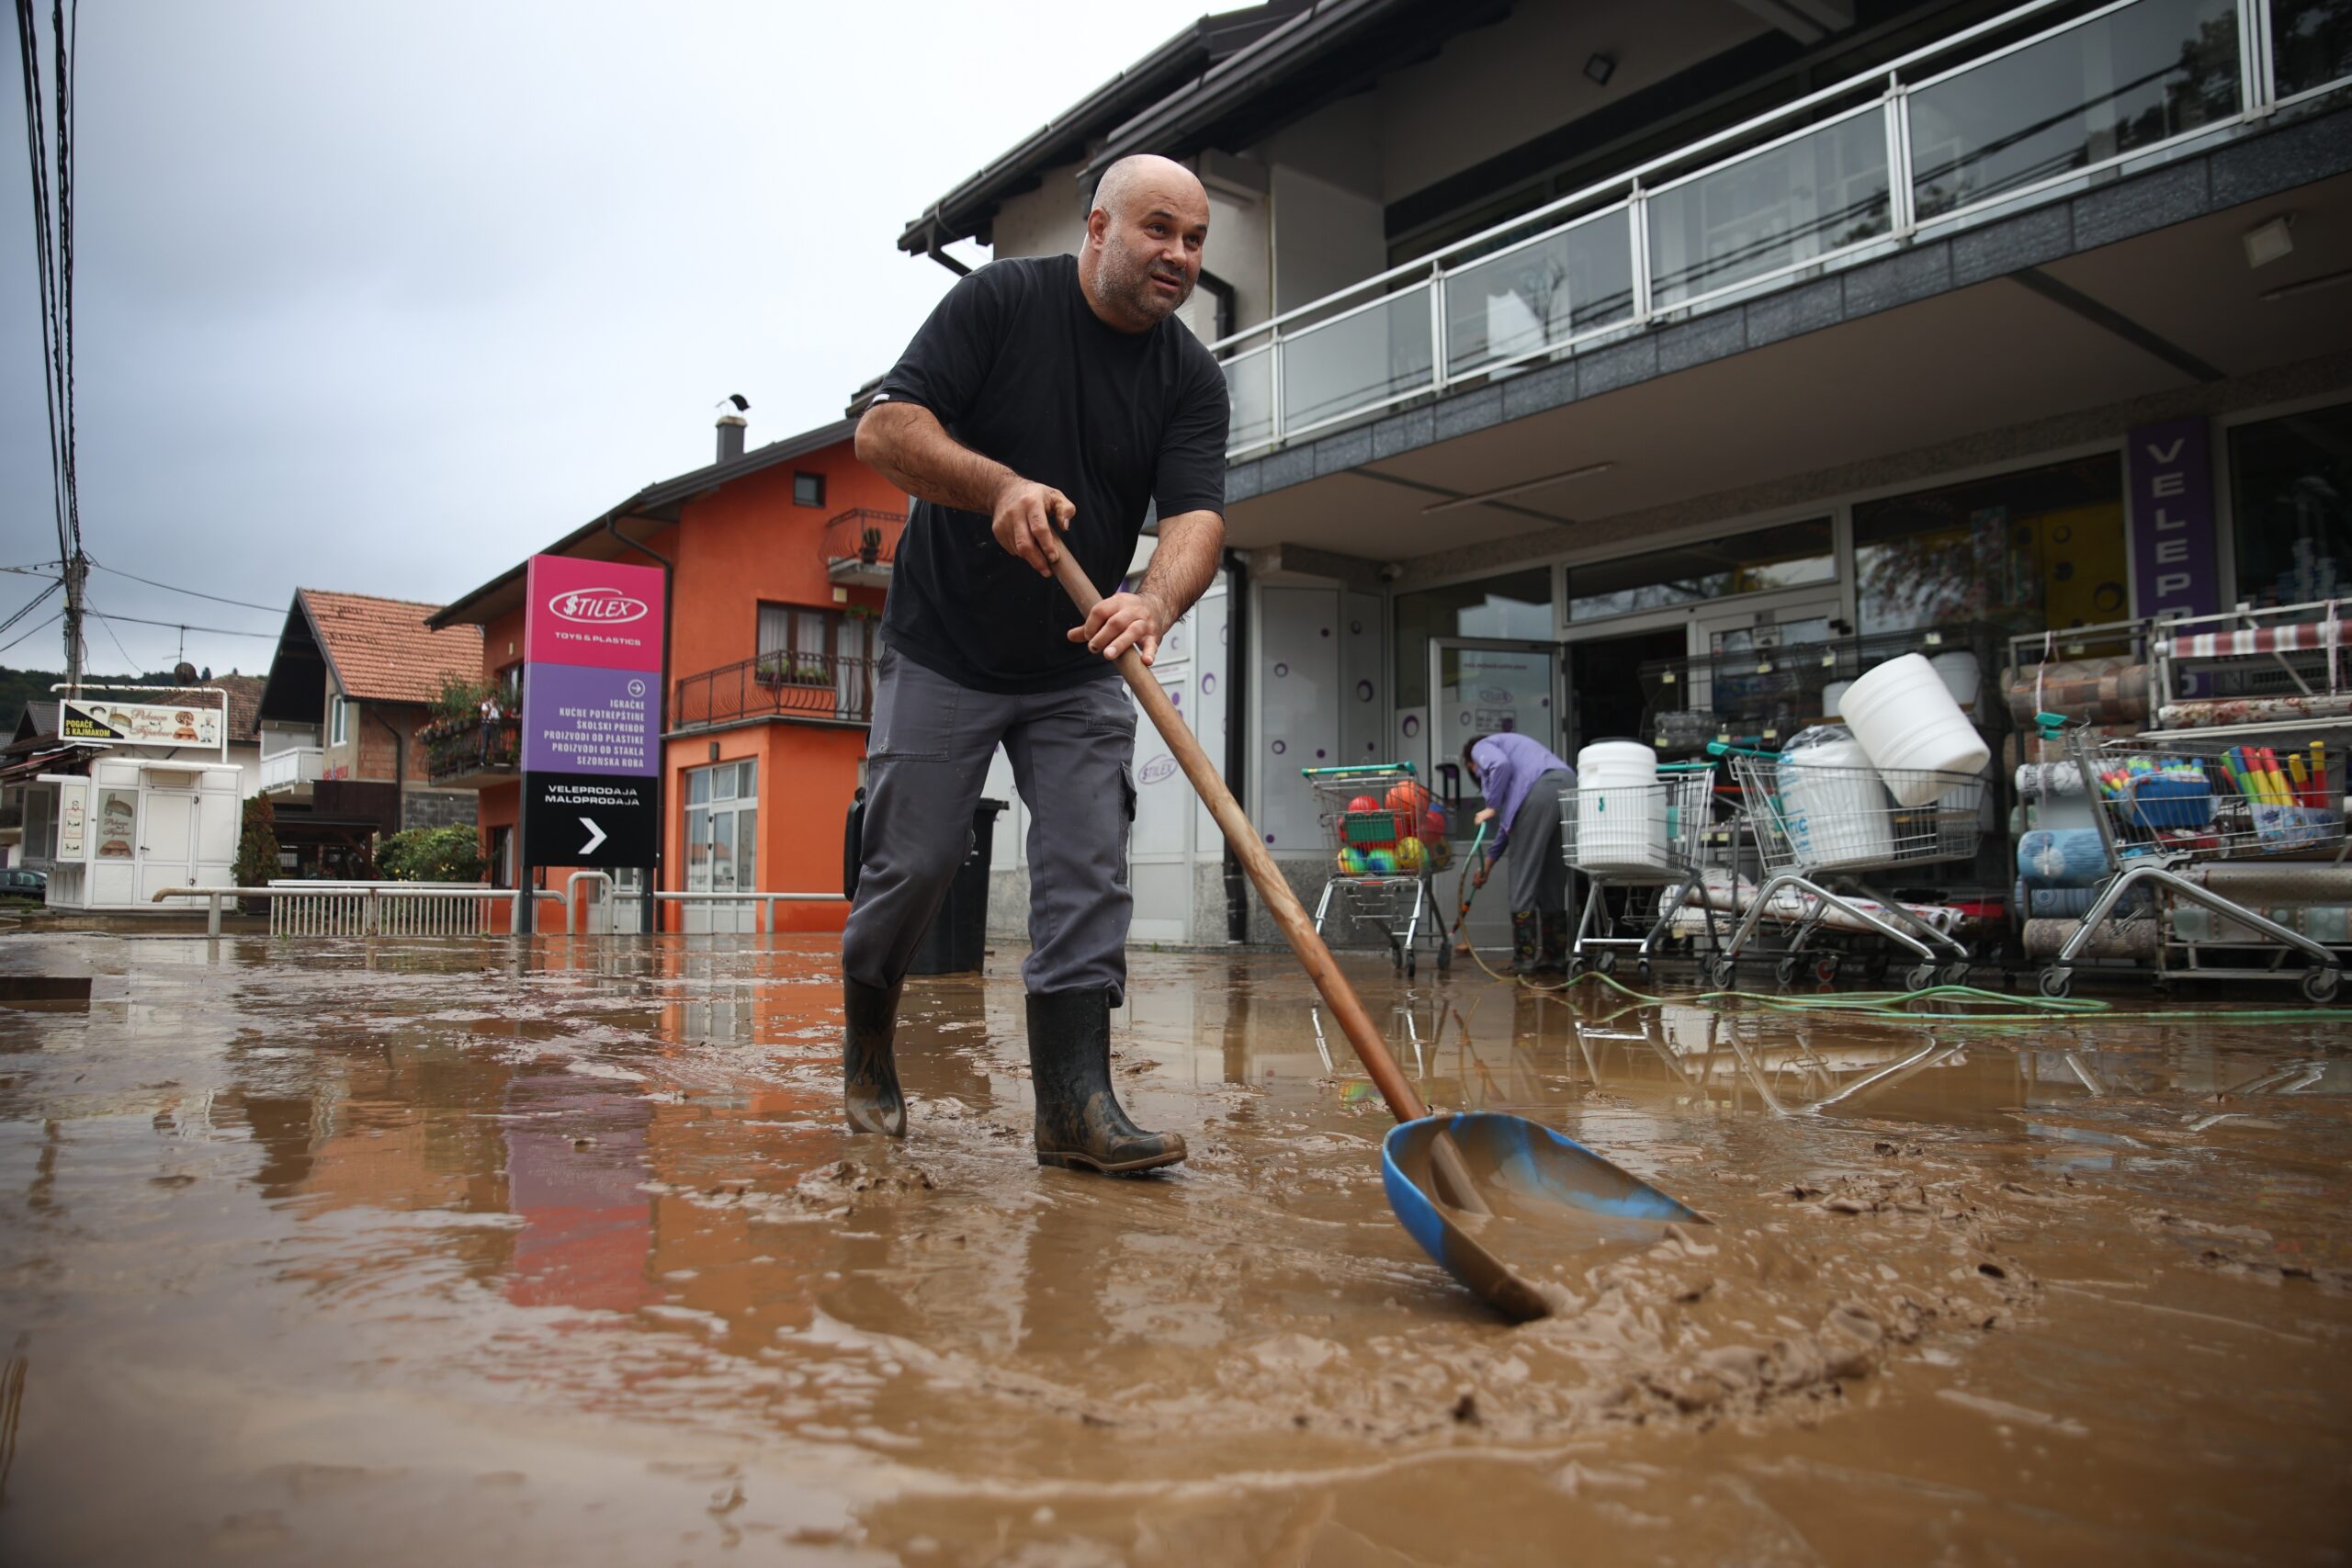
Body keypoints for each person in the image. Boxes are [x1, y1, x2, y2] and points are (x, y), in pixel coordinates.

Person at [842, 154, 1228, 1176]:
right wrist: (998, 484)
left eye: (1194, 241)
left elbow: (1195, 517)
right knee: (915, 863)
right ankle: (868, 1051)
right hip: (945, 645)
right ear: (1098, 227)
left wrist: (1152, 598)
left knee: (1086, 873)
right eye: (1159, 231)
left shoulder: (1187, 376)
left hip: (1076, 661)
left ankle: (1073, 1107)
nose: (1179, 257)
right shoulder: (1000, 303)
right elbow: (885, 431)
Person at [1464, 732, 1577, 976]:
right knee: (1551, 880)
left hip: (1540, 790)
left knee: (1522, 879)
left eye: (1474, 771)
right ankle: (1555, 956)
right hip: (1569, 786)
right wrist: (1488, 865)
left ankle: (1523, 960)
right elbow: (1509, 827)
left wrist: (1491, 806)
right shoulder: (1520, 762)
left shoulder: (1481, 748)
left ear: (1470, 764)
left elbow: (1499, 764)